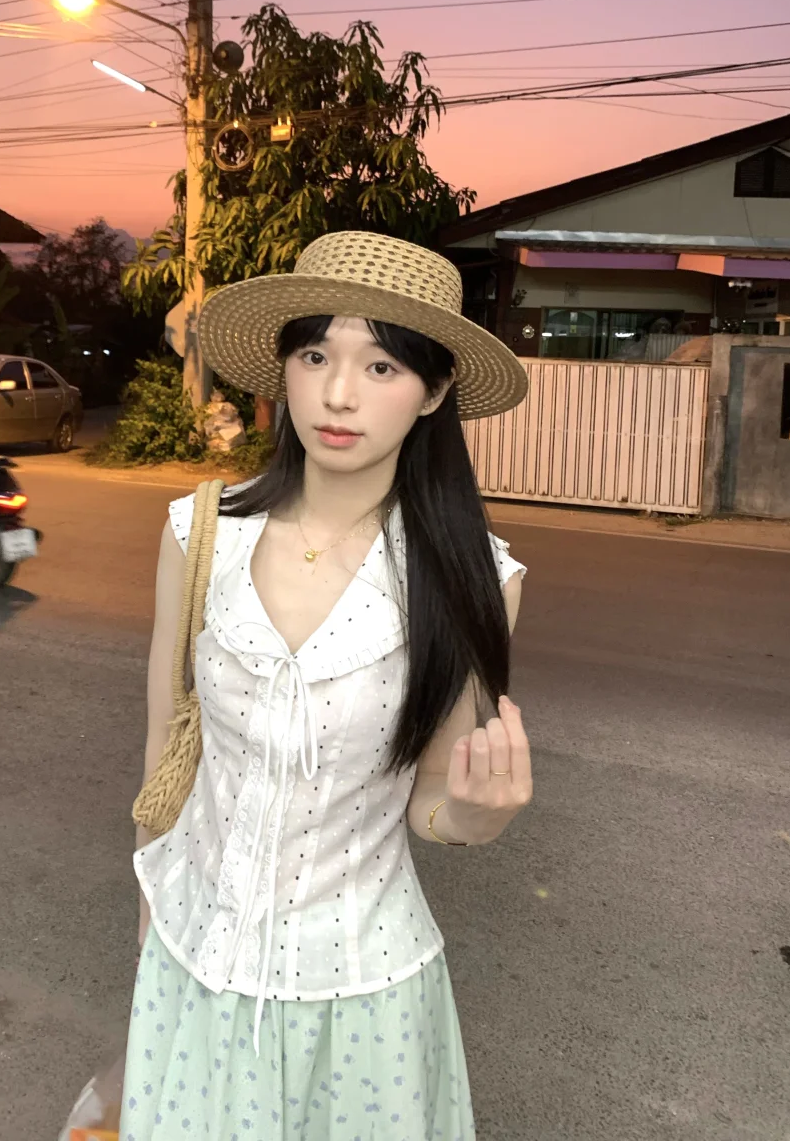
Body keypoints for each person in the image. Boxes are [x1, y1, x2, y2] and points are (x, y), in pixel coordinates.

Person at [122, 232, 533, 1140]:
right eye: (315, 355)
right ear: (285, 368)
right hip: (192, 964)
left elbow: (432, 800)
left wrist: (475, 818)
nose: (339, 394)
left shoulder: (473, 579)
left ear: (434, 392)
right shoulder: (201, 535)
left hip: (364, 1001)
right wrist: (150, 914)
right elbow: (165, 751)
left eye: (382, 365)